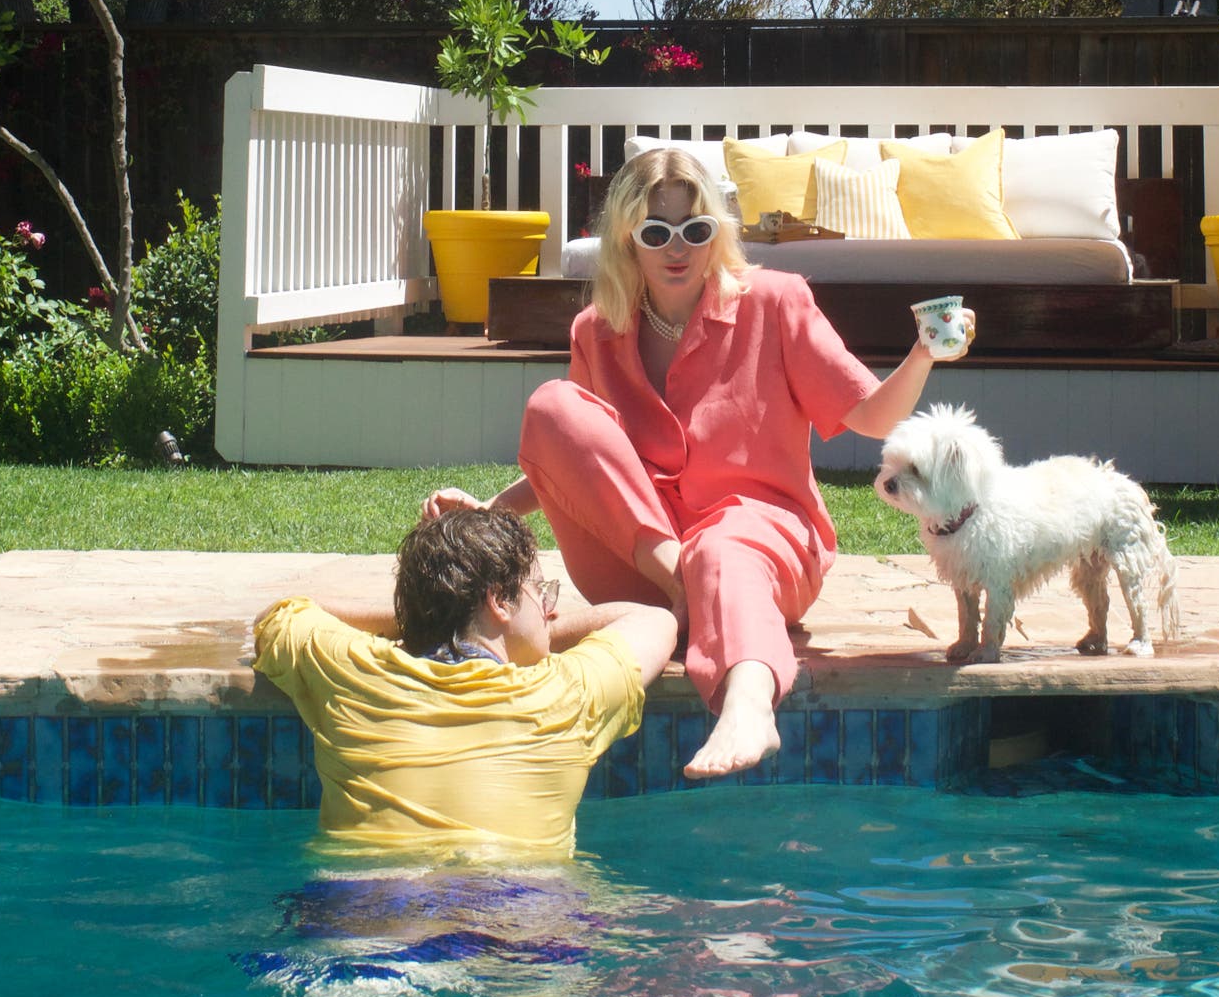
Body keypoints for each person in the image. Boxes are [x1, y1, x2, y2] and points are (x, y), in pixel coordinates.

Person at [420, 144, 973, 780]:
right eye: (656, 232)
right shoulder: (596, 331)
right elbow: (587, 466)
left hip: (763, 544)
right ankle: (685, 588)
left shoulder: (775, 301)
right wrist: (488, 512)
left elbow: (873, 416)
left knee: (722, 546)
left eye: (695, 229)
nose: (676, 247)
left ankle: (746, 701)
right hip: (647, 573)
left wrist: (927, 354)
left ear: (717, 230)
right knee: (554, 405)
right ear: (628, 239)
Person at [251, 504, 678, 857]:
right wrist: (537, 639)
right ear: (499, 601)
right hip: (513, 930)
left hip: (363, 924)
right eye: (541, 591)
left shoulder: (349, 670)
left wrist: (423, 615)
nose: (550, 610)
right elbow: (651, 619)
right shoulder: (565, 694)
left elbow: (280, 614)